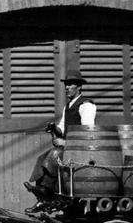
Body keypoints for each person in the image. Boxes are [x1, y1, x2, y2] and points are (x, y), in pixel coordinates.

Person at [24, 70, 96, 213]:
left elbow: (87, 134)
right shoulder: (68, 107)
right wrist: (54, 129)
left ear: (79, 87)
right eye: (66, 85)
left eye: (70, 85)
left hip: (80, 150)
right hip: (70, 149)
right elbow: (62, 130)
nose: (67, 88)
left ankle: (45, 193)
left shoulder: (86, 105)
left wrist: (66, 144)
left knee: (54, 154)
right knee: (43, 157)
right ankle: (42, 196)